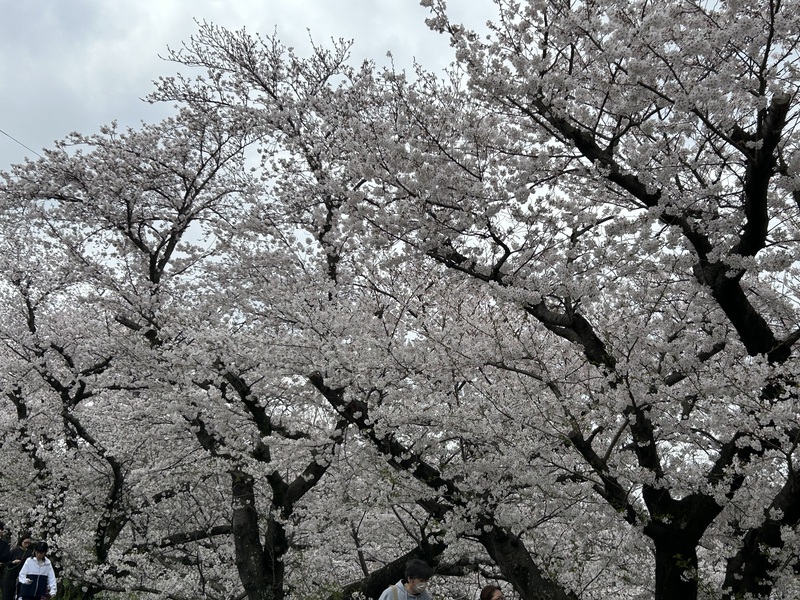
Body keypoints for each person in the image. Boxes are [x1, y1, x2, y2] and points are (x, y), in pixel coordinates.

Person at [3, 532, 32, 600]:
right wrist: (13, 562)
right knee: (8, 594)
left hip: (22, 575)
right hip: (11, 575)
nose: (27, 545)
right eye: (25, 542)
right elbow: (6, 562)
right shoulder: (14, 551)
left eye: (28, 543)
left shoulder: (29, 553)